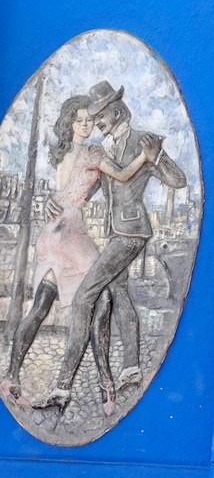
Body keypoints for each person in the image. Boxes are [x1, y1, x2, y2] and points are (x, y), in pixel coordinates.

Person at [1, 94, 160, 415]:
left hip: (53, 231)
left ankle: (11, 377)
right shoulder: (92, 152)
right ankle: (105, 387)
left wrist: (52, 201)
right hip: (71, 232)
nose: (87, 124)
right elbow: (123, 175)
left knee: (42, 305)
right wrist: (146, 156)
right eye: (81, 120)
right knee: (99, 300)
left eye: (90, 119)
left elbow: (72, 189)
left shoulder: (62, 153)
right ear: (70, 123)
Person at [35, 81, 185, 413]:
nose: (96, 122)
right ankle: (131, 368)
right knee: (119, 293)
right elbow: (83, 189)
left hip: (132, 232)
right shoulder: (102, 148)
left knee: (84, 297)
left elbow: (178, 180)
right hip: (115, 233)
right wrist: (54, 202)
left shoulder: (143, 141)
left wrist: (157, 155)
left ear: (115, 111)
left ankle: (62, 386)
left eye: (99, 115)